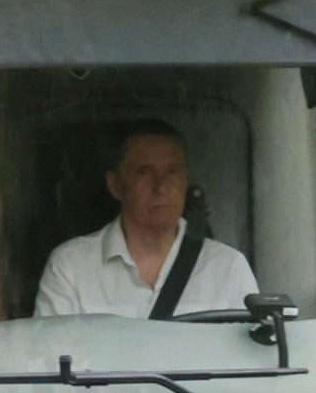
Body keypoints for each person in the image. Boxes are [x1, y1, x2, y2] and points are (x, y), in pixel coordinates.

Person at [35, 119, 259, 318]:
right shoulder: (71, 267)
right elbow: (51, 359)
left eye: (172, 171)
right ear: (116, 185)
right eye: (144, 172)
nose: (161, 187)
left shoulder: (228, 268)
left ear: (186, 180)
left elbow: (252, 360)